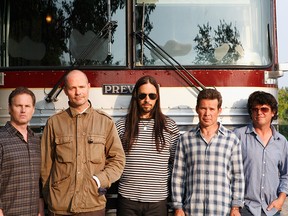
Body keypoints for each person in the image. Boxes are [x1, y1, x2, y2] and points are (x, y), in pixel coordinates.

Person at [41, 70, 125, 215]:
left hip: (93, 206)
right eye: (72, 88)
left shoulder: (105, 122)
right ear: (66, 91)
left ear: (89, 87)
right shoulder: (54, 123)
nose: (77, 92)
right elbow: (45, 166)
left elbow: (118, 160)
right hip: (60, 207)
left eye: (81, 87)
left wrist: (99, 181)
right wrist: (50, 197)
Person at [171, 88, 244, 216]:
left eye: (212, 109)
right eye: (203, 108)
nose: (207, 113)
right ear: (197, 109)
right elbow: (178, 176)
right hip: (192, 210)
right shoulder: (185, 139)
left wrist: (235, 207)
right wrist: (178, 207)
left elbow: (237, 176)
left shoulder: (231, 140)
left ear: (219, 110)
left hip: (222, 210)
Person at [115, 75, 180, 216]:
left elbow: (177, 163)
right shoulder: (121, 125)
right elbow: (114, 161)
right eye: (142, 95)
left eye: (152, 95)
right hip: (127, 199)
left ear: (157, 97)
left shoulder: (169, 126)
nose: (147, 100)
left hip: (157, 201)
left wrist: (160, 176)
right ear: (136, 97)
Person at [234, 91, 288, 216]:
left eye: (264, 109)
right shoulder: (238, 136)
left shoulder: (281, 142)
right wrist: (235, 206)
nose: (259, 112)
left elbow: (286, 174)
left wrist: (281, 200)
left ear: (273, 112)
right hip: (244, 208)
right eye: (255, 109)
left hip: (271, 209)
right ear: (251, 112)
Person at [0, 87, 45, 216]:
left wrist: (40, 208)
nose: (23, 110)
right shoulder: (1, 139)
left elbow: (38, 181)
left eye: (27, 106)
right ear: (9, 108)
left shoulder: (36, 141)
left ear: (33, 109)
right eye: (19, 105)